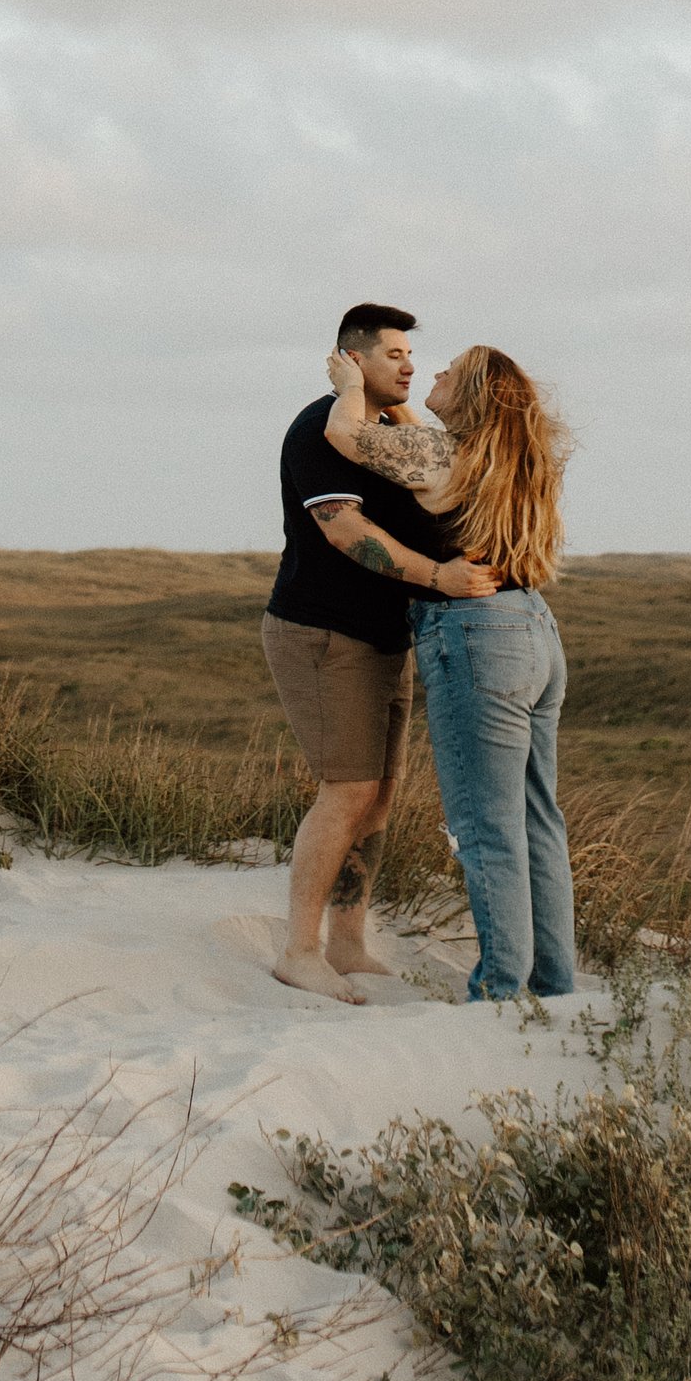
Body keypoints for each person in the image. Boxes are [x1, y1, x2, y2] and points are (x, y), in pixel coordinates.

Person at [323, 339, 576, 1004]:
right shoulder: (518, 461)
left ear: (471, 398)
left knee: (485, 827)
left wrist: (350, 382)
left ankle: (497, 992)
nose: (430, 372)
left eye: (449, 371)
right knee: (536, 820)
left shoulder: (443, 456)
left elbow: (344, 435)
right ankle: (555, 986)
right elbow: (417, 439)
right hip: (536, 632)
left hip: (476, 637)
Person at [263, 302, 500, 1004]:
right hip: (322, 631)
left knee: (380, 798)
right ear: (353, 358)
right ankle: (299, 951)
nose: (408, 364)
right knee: (348, 791)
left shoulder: (395, 429)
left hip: (383, 636)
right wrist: (439, 579)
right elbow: (342, 531)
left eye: (411, 354)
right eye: (392, 353)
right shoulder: (320, 428)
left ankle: (347, 941)